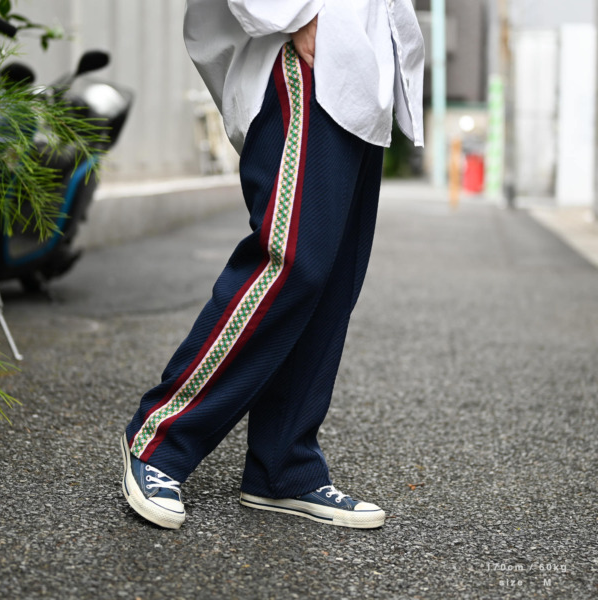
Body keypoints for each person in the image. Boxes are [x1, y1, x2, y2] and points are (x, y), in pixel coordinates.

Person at [121, 0, 424, 530]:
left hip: (358, 62)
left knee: (331, 282)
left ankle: (283, 468)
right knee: (292, 263)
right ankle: (160, 438)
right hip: (301, 47)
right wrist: (296, 16)